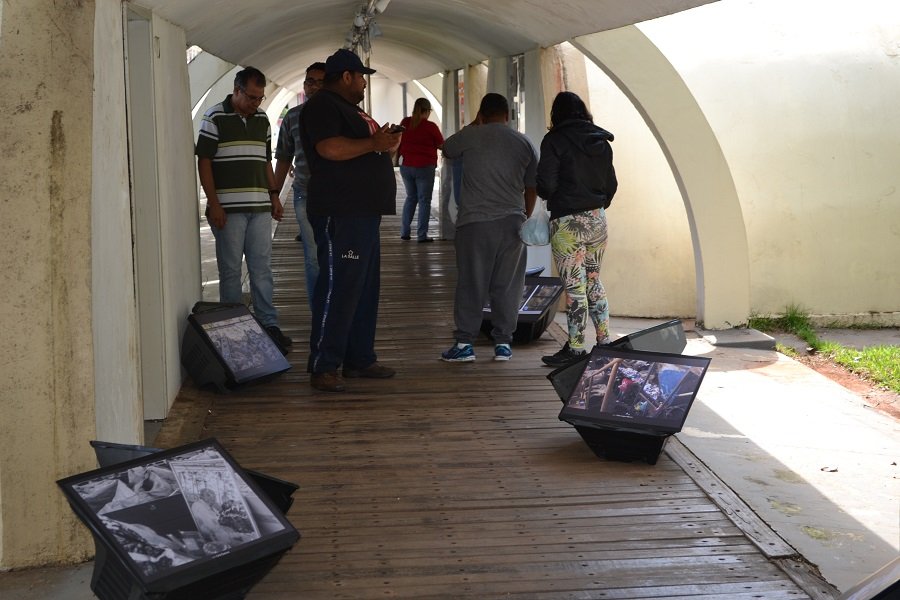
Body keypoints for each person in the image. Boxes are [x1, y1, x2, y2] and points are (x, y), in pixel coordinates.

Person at [299, 49, 402, 392]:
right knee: (338, 287)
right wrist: (373, 142)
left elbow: (359, 147)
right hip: (340, 212)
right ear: (346, 76)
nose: (363, 84)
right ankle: (324, 364)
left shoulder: (350, 109)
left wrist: (381, 142)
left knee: (363, 287)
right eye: (361, 77)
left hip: (363, 212)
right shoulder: (322, 106)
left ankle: (359, 357)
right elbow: (329, 149)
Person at [196, 66, 292, 350]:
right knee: (230, 271)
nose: (256, 103)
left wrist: (274, 195)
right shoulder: (214, 117)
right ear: (236, 91)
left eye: (260, 98)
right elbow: (204, 162)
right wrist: (214, 204)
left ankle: (268, 324)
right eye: (251, 97)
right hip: (229, 210)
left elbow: (265, 161)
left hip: (259, 207)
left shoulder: (262, 119)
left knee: (262, 269)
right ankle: (234, 331)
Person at [440, 93, 538, 362]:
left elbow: (447, 148)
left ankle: (464, 345)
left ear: (481, 114)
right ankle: (504, 344)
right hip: (512, 223)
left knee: (472, 282)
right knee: (508, 284)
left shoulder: (472, 135)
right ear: (508, 115)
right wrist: (523, 217)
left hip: (475, 223)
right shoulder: (523, 142)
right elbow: (532, 187)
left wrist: (473, 125)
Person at [536, 91, 618, 367]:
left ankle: (575, 348)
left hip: (567, 224)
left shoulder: (554, 141)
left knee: (574, 287)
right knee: (594, 279)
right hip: (597, 219)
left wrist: (562, 199)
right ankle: (604, 341)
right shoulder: (601, 142)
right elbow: (611, 185)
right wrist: (595, 203)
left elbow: (545, 184)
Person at [274, 61, 327, 309]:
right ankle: (318, 310)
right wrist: (274, 194)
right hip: (304, 195)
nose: (313, 87)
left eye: (320, 82)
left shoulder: (340, 116)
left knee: (342, 255)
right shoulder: (293, 117)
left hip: (339, 198)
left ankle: (336, 307)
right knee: (313, 256)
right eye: (309, 81)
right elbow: (284, 157)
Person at [397, 97, 444, 242]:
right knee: (424, 200)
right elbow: (441, 145)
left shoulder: (405, 122)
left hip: (406, 166)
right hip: (424, 167)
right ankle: (421, 235)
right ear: (427, 111)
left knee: (411, 198)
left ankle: (405, 232)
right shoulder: (430, 126)